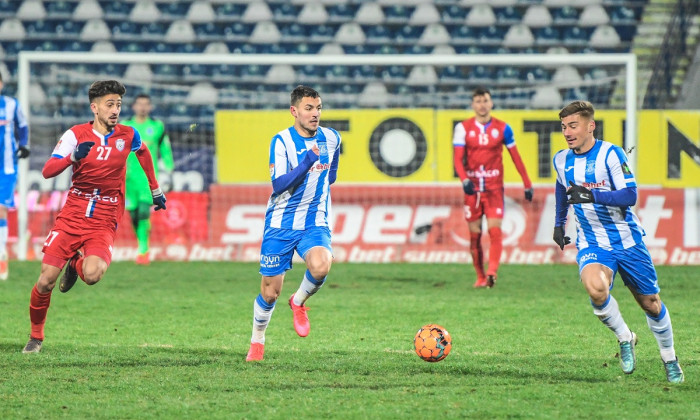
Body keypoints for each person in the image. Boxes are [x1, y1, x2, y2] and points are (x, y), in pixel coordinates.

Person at [22, 80, 167, 354]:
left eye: (119, 105)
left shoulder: (127, 135)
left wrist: (155, 189)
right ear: (95, 108)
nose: (115, 110)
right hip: (73, 214)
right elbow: (47, 170)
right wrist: (72, 157)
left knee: (93, 274)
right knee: (45, 280)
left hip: (104, 218)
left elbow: (144, 153)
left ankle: (76, 264)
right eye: (110, 105)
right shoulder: (76, 135)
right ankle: (35, 337)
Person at [552, 100, 683, 383]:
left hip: (627, 240)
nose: (567, 132)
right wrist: (558, 223)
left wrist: (591, 194)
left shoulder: (611, 154)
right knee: (595, 289)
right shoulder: (561, 159)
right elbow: (562, 190)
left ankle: (669, 358)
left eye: (573, 125)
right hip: (592, 243)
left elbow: (629, 196)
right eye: (564, 127)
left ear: (590, 126)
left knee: (650, 304)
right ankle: (625, 337)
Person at [246, 85, 341, 362]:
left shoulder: (332, 139)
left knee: (322, 265)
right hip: (281, 221)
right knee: (270, 292)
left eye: (319, 108)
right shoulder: (281, 142)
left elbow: (331, 176)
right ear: (294, 111)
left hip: (314, 220)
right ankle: (258, 341)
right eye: (309, 108)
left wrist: (317, 180)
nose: (315, 114)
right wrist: (307, 162)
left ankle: (298, 302)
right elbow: (279, 185)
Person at [452, 87, 533, 288]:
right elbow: (457, 159)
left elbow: (516, 157)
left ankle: (492, 272)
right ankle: (480, 276)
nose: (482, 105)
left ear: (491, 103)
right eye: (478, 101)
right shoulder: (463, 128)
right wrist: (464, 180)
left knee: (495, 232)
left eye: (485, 100)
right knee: (474, 235)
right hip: (472, 190)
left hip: (494, 189)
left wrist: (527, 183)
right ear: (473, 105)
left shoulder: (503, 128)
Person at [122, 94, 174, 265]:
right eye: (140, 104)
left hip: (148, 178)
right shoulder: (126, 126)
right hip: (128, 178)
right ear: (134, 107)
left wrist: (169, 169)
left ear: (150, 107)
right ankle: (142, 245)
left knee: (144, 211)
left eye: (146, 104)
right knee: (134, 214)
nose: (143, 107)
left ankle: (143, 250)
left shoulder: (157, 126)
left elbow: (165, 149)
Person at [0, 71, 30, 280]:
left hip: (7, 168)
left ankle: (1, 254)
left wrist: (24, 144)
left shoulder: (12, 104)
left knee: (1, 209)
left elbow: (23, 125)